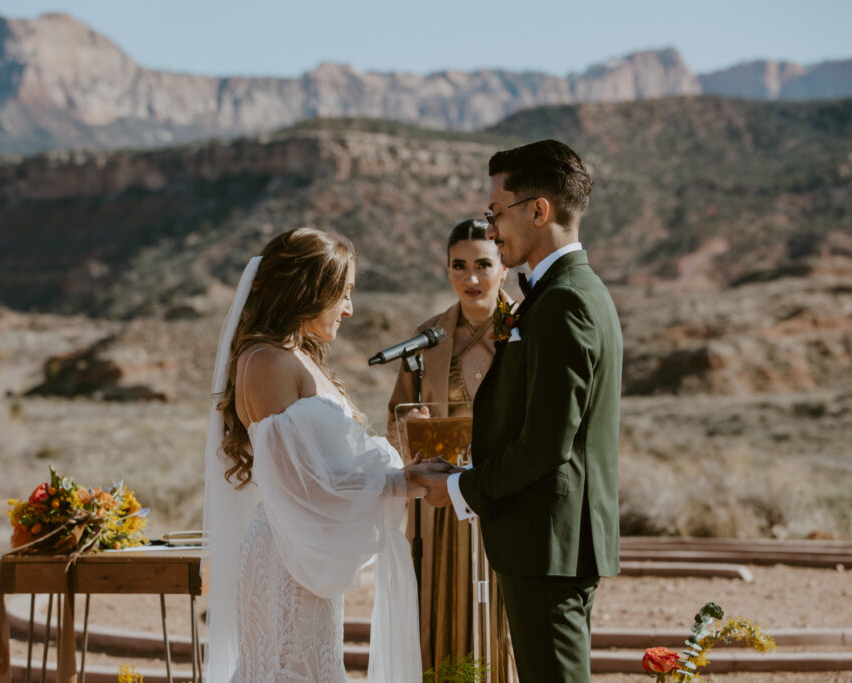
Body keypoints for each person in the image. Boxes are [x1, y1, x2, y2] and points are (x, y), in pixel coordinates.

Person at [410, 140, 623, 683]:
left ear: (538, 210)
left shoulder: (566, 302)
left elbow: (546, 445)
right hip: (546, 542)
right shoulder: (564, 293)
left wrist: (460, 488)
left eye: (495, 212)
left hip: (549, 546)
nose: (492, 227)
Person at [201, 227, 438, 683]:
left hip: (298, 545)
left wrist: (401, 463)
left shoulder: (295, 356)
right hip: (287, 555)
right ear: (309, 290)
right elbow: (307, 483)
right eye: (343, 294)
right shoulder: (269, 362)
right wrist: (398, 481)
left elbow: (328, 466)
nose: (349, 308)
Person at [385, 218, 517, 681]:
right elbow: (394, 419)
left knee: (503, 616)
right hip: (439, 511)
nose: (472, 278)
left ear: (505, 267)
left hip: (506, 499)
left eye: (484, 264)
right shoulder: (428, 337)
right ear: (447, 270)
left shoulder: (527, 332)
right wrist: (411, 427)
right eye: (459, 266)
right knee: (438, 610)